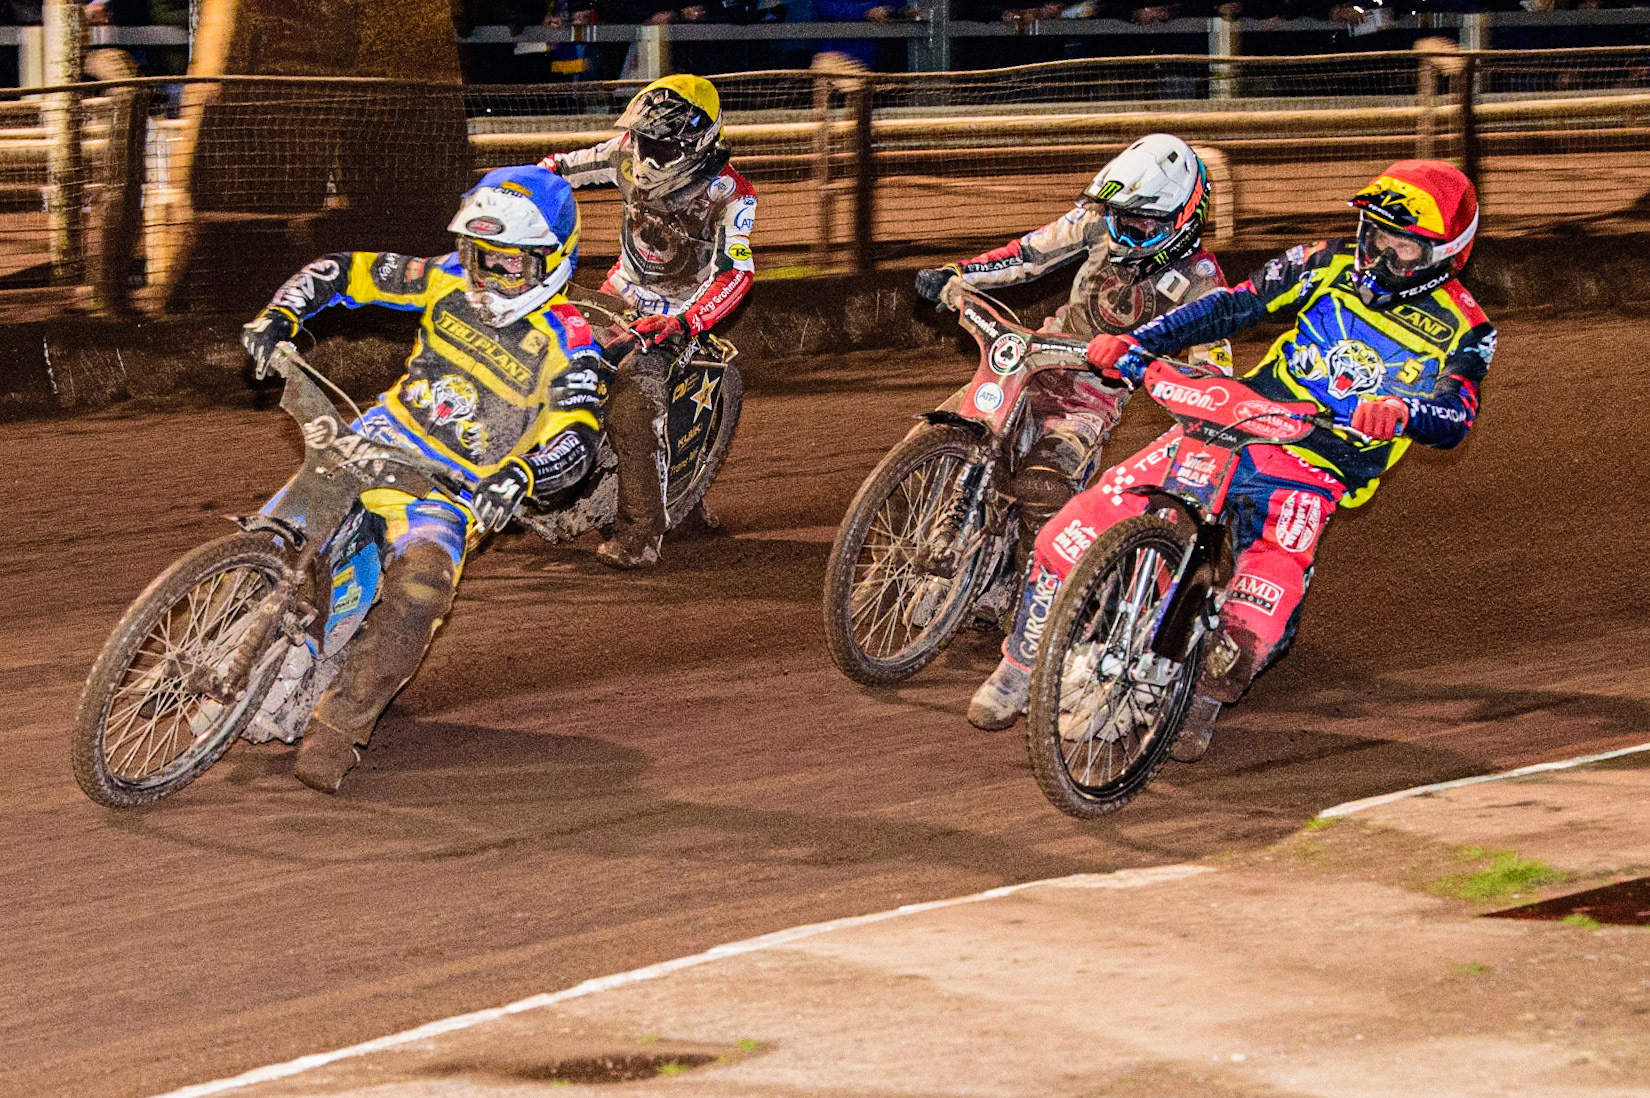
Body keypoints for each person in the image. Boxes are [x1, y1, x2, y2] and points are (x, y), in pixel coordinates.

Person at [968, 159, 1496, 760]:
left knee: (1257, 616)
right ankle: (1018, 668)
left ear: (1444, 255)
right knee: (1069, 532)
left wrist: (1404, 411)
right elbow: (1231, 306)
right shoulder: (1324, 262)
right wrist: (1140, 342)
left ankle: (1203, 701)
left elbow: (1457, 412)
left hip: (1318, 461)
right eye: (1375, 235)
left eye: (1402, 247)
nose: (1379, 255)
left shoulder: (1468, 327)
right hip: (1235, 418)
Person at [240, 165, 611, 793]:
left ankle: (338, 729)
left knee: (420, 593)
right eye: (477, 255)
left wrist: (520, 476)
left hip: (451, 492)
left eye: (508, 263)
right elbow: (343, 270)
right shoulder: (445, 278)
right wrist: (281, 314)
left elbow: (577, 439)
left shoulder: (571, 345)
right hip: (374, 440)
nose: (486, 276)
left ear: (551, 262)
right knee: (275, 533)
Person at [917, 133, 1232, 541]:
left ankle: (1035, 574)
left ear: (1184, 220)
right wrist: (959, 274)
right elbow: (1029, 254)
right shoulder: (1096, 223)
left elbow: (1214, 375)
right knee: (931, 443)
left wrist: (1176, 384)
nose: (1128, 232)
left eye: (1145, 223)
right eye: (1122, 218)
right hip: (1029, 364)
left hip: (1091, 400)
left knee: (1042, 490)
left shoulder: (1204, 283)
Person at [538, 73, 756, 569]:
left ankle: (641, 535)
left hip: (674, 316)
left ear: (696, 143)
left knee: (633, 409)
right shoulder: (623, 152)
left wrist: (686, 322)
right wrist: (506, 194)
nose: (647, 155)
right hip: (617, 295)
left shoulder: (730, 195)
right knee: (532, 351)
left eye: (660, 145)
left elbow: (736, 272)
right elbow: (556, 169)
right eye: (643, 140)